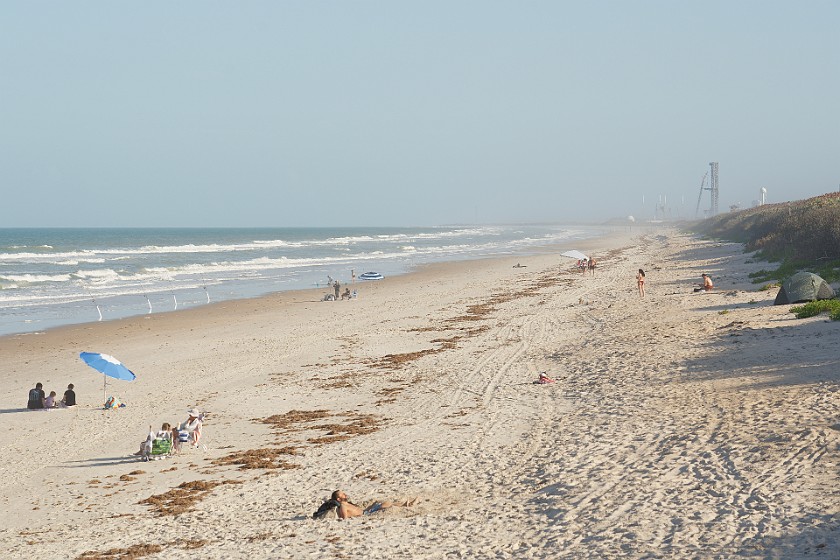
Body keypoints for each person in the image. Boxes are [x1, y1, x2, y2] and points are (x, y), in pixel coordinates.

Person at [323, 490, 417, 520]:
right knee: (385, 506)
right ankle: (406, 505)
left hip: (366, 511)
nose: (345, 494)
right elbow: (344, 518)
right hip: (366, 514)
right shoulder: (343, 506)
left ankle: (405, 504)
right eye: (343, 494)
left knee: (385, 503)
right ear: (338, 499)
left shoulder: (347, 503)